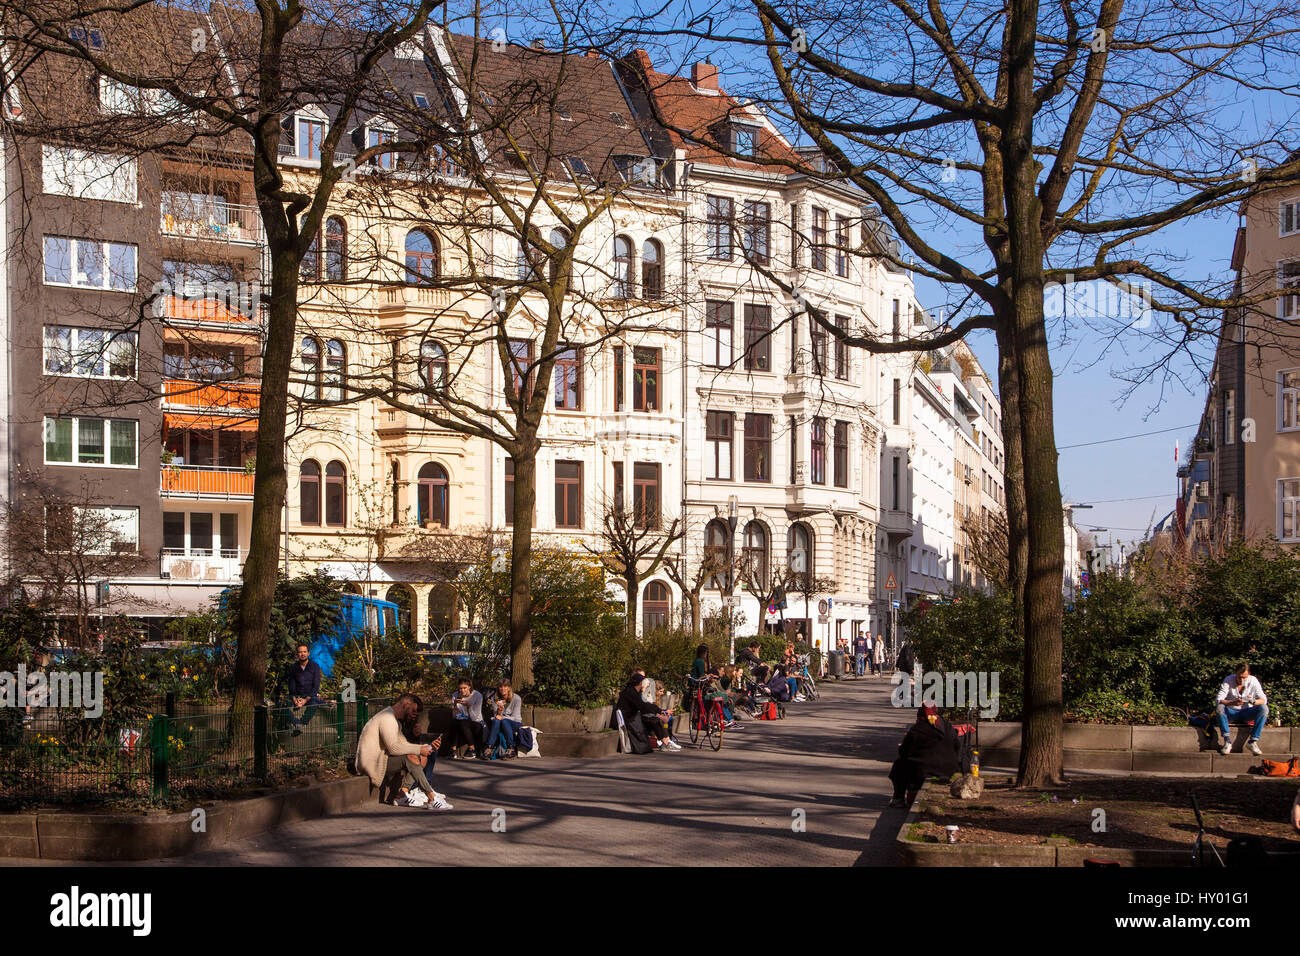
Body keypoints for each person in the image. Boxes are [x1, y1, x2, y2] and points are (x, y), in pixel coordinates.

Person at [355, 692, 449, 808]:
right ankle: (431, 798)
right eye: (413, 711)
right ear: (405, 705)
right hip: (373, 764)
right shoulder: (387, 718)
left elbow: (403, 744)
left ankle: (401, 795)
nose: (414, 715)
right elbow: (394, 748)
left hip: (383, 759)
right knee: (412, 757)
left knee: (422, 757)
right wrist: (420, 749)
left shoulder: (394, 719)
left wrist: (428, 747)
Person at [888, 703, 962, 807]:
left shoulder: (918, 729)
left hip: (924, 771)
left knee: (899, 765)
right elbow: (957, 745)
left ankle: (898, 798)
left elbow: (904, 752)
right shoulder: (947, 726)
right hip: (948, 768)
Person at [1213, 664, 1269, 756]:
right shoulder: (1228, 680)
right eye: (1239, 677)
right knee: (1220, 708)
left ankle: (1253, 741)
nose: (1242, 680)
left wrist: (1253, 701)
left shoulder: (1253, 681)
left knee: (1264, 708)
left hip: (1247, 712)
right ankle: (1227, 741)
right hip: (1231, 712)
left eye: (1244, 678)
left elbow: (1263, 700)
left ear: (1249, 675)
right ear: (1235, 673)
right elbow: (1218, 700)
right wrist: (1233, 702)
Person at [618, 672, 679, 752]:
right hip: (630, 719)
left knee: (654, 719)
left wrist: (662, 711)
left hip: (635, 717)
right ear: (640, 683)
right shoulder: (630, 693)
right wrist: (660, 713)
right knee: (654, 720)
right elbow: (643, 706)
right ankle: (666, 743)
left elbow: (647, 705)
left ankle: (666, 742)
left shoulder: (636, 691)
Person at [284, 642, 323, 735]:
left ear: (308, 653)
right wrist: (295, 698)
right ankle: (297, 723)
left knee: (314, 703)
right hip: (296, 696)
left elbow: (316, 685)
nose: (302, 654)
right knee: (282, 705)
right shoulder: (293, 667)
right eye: (300, 652)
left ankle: (302, 723)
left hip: (310, 696)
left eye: (304, 652)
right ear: (297, 654)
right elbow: (291, 685)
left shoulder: (315, 666)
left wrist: (305, 700)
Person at [447, 678, 487, 759]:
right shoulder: (455, 695)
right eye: (460, 688)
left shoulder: (477, 696)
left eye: (464, 688)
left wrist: (468, 707)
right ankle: (453, 750)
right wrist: (454, 705)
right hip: (461, 723)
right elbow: (455, 716)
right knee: (455, 722)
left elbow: (475, 717)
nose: (462, 690)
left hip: (477, 723)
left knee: (463, 722)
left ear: (469, 687)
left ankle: (472, 749)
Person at [484, 679, 523, 758]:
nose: (503, 689)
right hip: (500, 723)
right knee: (496, 721)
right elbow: (496, 716)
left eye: (505, 686)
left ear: (509, 688)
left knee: (504, 721)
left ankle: (511, 749)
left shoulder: (516, 698)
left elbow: (516, 717)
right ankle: (489, 748)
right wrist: (499, 711)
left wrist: (502, 717)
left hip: (515, 723)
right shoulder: (495, 699)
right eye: (500, 687)